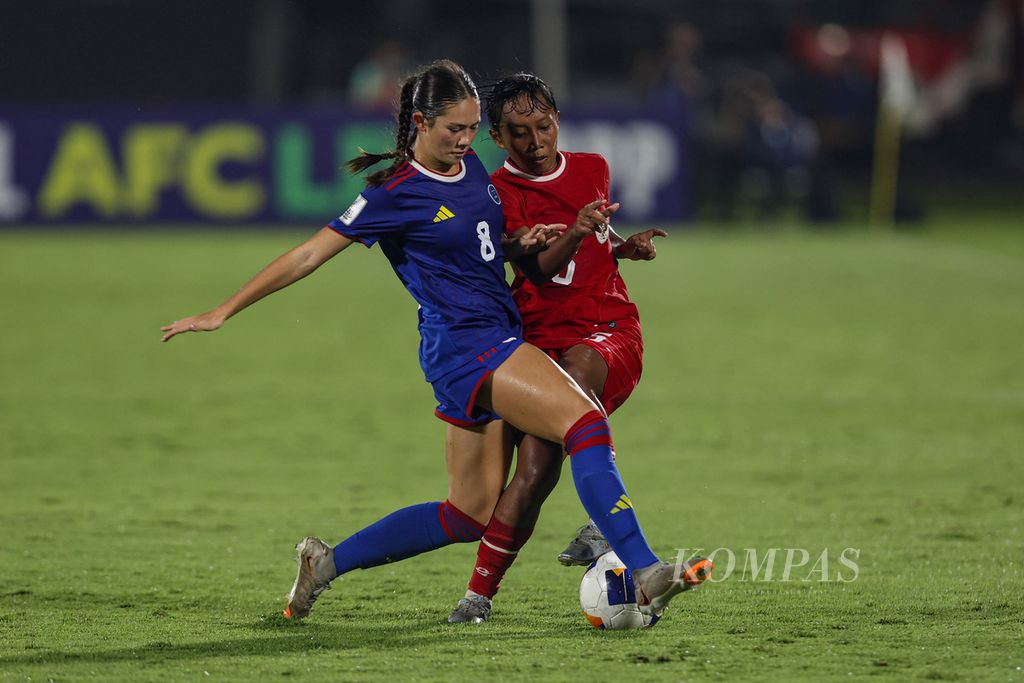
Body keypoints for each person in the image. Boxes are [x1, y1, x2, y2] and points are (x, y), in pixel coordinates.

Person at [160, 60, 704, 622]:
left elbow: (482, 248)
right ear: (420, 121)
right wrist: (223, 310)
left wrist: (520, 242)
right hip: (472, 346)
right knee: (585, 422)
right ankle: (645, 569)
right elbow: (307, 254)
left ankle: (326, 564)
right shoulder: (393, 194)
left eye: (472, 129)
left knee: (467, 513)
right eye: (455, 130)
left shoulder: (469, 171)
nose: (467, 141)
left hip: (483, 344)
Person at [447, 73, 708, 624]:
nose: (536, 141)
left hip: (606, 327)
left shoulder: (592, 167)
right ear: (497, 135)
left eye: (544, 127)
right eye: (519, 132)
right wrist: (575, 229)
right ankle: (478, 597)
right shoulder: (499, 193)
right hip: (536, 336)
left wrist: (623, 247)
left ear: (558, 120)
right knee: (536, 466)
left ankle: (611, 536)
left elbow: (597, 239)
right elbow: (538, 270)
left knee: (574, 396)